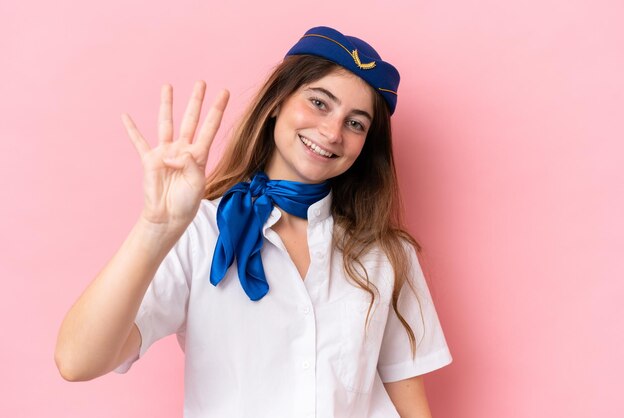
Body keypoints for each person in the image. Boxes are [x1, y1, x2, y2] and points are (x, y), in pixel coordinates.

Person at [55, 26, 452, 417]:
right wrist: (154, 228)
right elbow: (77, 362)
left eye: (356, 123)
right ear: (278, 100)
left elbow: (410, 403)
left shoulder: (388, 254)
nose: (332, 132)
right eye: (319, 102)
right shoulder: (198, 232)